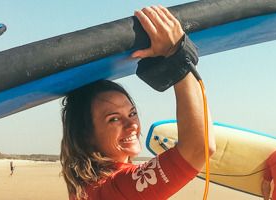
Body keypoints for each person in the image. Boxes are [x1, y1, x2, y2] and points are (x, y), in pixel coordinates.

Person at [58, 5, 214, 199]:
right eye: (113, 119)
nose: (132, 125)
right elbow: (198, 148)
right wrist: (177, 55)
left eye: (132, 113)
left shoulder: (88, 188)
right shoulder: (116, 187)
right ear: (85, 135)